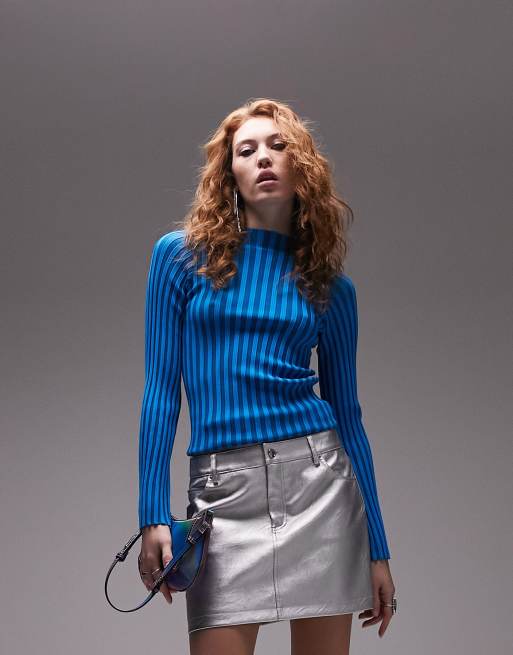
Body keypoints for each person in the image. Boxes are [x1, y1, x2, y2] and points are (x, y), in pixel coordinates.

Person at [137, 98, 397, 655]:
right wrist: (152, 515)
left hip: (320, 488)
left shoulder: (330, 289)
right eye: (246, 150)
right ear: (228, 172)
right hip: (222, 498)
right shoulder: (181, 259)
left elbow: (349, 418)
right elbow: (160, 392)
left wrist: (378, 549)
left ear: (302, 167)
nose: (263, 158)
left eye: (279, 146)